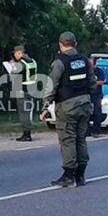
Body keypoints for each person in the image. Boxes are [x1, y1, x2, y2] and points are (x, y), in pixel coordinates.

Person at [40, 32, 96, 187]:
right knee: (81, 139)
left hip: (67, 106)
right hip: (84, 104)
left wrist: (45, 107)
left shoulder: (59, 62)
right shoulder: (85, 60)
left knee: (68, 139)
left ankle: (68, 175)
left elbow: (51, 86)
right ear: (75, 43)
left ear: (60, 44)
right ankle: (81, 175)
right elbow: (92, 83)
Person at [6, 44, 37, 142]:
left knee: (23, 113)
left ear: (20, 53)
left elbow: (14, 74)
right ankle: (27, 133)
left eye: (15, 53)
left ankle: (27, 135)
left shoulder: (21, 63)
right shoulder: (32, 61)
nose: (15, 56)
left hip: (22, 89)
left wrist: (11, 66)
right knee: (27, 111)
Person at [89, 56, 106, 136]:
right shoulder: (87, 71)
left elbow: (102, 81)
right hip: (88, 95)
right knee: (86, 113)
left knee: (97, 113)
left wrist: (93, 83)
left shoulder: (99, 71)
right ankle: (87, 131)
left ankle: (96, 131)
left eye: (90, 62)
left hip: (97, 95)